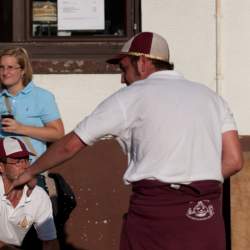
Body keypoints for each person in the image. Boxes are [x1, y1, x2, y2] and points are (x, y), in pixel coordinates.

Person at [7, 32, 243, 250]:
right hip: (206, 210)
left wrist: (30, 172)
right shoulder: (211, 98)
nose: (122, 79)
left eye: (124, 68)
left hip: (156, 210)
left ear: (142, 62)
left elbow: (71, 144)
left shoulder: (131, 96)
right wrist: (192, 182)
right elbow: (233, 161)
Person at [0, 47, 64, 188]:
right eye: (1, 67)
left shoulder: (42, 97)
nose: (5, 72)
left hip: (32, 173)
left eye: (10, 67)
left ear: (22, 70)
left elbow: (58, 133)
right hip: (2, 174)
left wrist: (21, 128)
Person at [0, 137, 59, 250]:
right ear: (1, 167)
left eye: (26, 160)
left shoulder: (39, 196)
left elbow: (50, 242)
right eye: (18, 161)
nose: (25, 166)